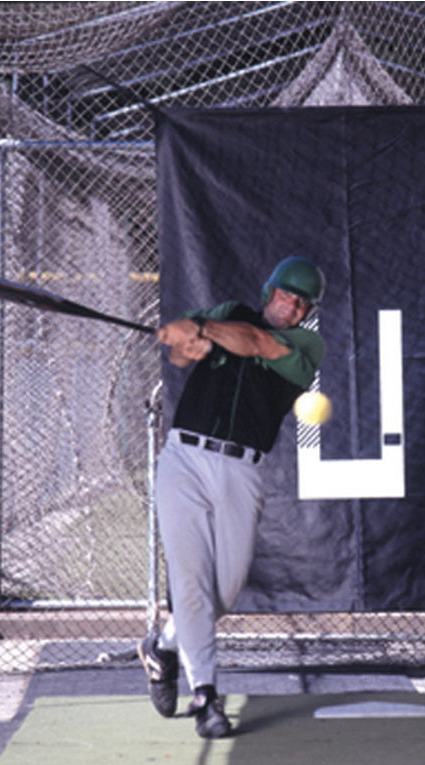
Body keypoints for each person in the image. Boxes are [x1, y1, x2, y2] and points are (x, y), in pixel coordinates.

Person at [138, 256, 326, 739]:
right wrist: (184, 345)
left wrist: (201, 327)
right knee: (191, 583)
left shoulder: (305, 347)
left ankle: (164, 646)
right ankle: (206, 697)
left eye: (301, 302)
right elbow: (183, 354)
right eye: (287, 294)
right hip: (184, 460)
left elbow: (255, 343)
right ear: (270, 291)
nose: (292, 306)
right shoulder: (229, 312)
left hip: (242, 470)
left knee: (223, 591)